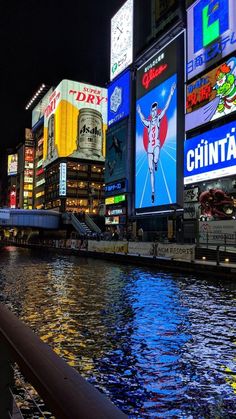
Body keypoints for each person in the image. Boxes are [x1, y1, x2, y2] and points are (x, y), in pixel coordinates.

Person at [136, 82, 176, 204]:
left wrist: (171, 93)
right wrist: (139, 111)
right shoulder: (148, 122)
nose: (154, 112)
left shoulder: (158, 118)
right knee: (150, 170)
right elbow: (142, 118)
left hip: (156, 144)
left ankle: (156, 162)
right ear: (151, 111)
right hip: (149, 147)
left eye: (155, 110)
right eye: (152, 110)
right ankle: (153, 192)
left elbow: (166, 107)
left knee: (156, 157)